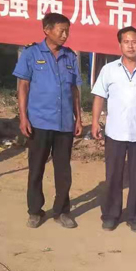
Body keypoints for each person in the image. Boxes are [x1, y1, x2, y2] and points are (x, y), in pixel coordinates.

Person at [91, 26, 136, 233]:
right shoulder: (109, 70)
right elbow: (99, 96)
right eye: (126, 42)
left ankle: (135, 217)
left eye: (134, 42)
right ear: (120, 45)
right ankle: (110, 215)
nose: (130, 46)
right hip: (115, 133)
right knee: (113, 176)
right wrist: (95, 121)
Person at [13, 13, 82, 229]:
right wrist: (23, 117)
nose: (65, 35)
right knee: (36, 169)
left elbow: (74, 90)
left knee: (63, 172)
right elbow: (23, 86)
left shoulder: (70, 56)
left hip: (64, 123)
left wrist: (79, 118)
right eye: (61, 30)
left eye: (67, 30)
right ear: (47, 30)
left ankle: (62, 211)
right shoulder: (31, 53)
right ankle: (35, 211)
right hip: (39, 122)